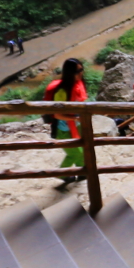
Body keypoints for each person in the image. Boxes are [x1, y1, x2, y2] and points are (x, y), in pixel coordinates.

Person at [43, 58, 88, 186]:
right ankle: (62, 173)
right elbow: (57, 114)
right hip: (63, 130)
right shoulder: (62, 92)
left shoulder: (78, 86)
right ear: (69, 73)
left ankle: (82, 172)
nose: (81, 73)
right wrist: (75, 118)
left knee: (82, 150)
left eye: (81, 69)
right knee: (75, 153)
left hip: (76, 125)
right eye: (78, 71)